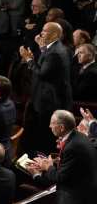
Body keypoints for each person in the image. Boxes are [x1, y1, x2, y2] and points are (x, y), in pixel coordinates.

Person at [19, 22, 72, 153]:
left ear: (54, 34)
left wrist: (29, 60)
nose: (41, 33)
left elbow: (43, 74)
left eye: (44, 31)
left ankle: (42, 158)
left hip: (48, 100)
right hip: (49, 97)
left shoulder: (55, 52)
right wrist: (42, 48)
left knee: (45, 134)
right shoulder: (55, 48)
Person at [26, 110, 97, 204]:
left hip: (76, 195)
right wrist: (50, 164)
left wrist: (47, 166)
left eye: (52, 123)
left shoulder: (72, 146)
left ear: (61, 127)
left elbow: (59, 178)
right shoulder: (78, 136)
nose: (49, 126)